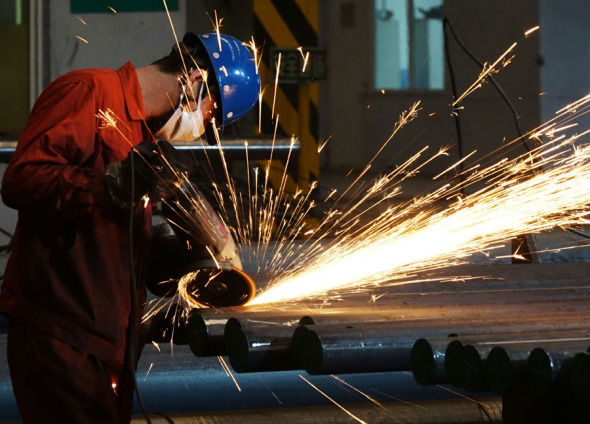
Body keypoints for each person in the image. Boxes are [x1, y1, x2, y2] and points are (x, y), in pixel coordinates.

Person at [0, 32, 260, 423]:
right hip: (60, 335)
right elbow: (23, 180)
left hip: (108, 343)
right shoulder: (87, 92)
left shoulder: (142, 139)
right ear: (194, 82)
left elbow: (105, 236)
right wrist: (110, 184)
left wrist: (172, 263)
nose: (201, 129)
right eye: (208, 117)